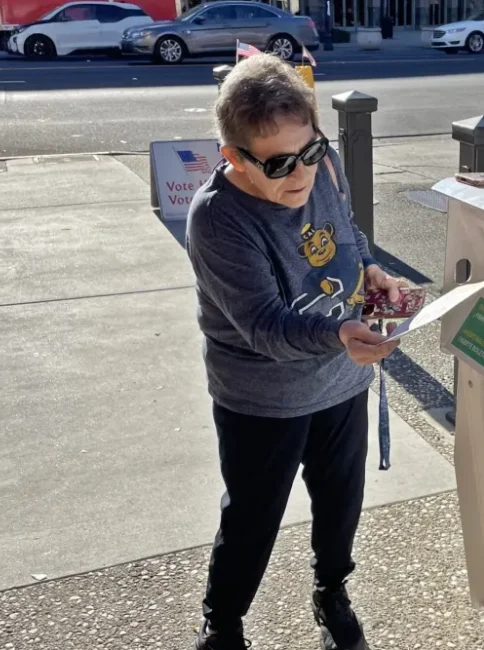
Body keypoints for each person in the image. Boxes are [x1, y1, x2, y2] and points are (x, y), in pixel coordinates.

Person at [185, 53, 406, 650]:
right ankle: (223, 621)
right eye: (279, 164)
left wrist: (370, 270)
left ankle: (331, 592)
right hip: (262, 396)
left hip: (340, 382)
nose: (300, 173)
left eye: (309, 152)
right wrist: (338, 334)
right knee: (252, 519)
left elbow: (345, 232)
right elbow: (263, 326)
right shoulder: (217, 218)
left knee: (341, 505)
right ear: (234, 157)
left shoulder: (322, 163)